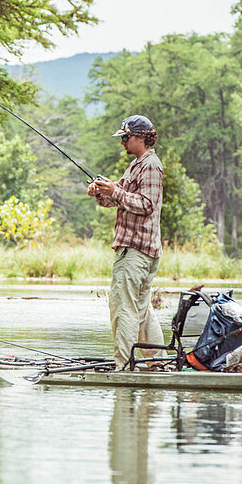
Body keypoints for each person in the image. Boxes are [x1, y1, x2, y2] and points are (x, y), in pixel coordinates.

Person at [87, 114, 166, 368]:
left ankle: (122, 366)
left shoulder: (151, 165)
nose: (123, 143)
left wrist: (116, 191)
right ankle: (158, 363)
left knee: (124, 310)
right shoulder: (136, 165)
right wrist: (100, 193)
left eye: (126, 137)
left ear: (141, 137)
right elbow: (116, 199)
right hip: (136, 251)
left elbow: (146, 205)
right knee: (141, 311)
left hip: (136, 252)